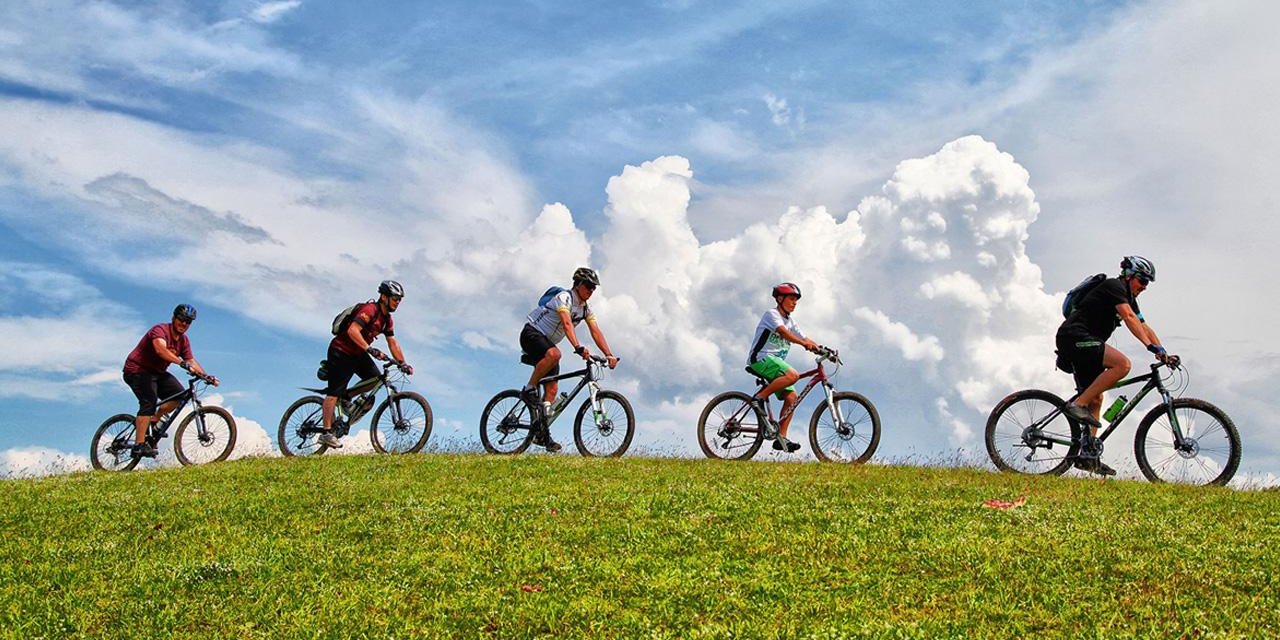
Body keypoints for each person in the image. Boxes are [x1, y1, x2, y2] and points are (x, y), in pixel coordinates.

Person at [1055, 255, 1177, 475]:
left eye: (1147, 283)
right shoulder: (1113, 286)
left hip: (1085, 342)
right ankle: (1077, 405)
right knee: (1122, 365)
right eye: (1143, 281)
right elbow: (1129, 318)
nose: (1145, 287)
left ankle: (1088, 455)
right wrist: (1150, 347)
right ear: (1129, 276)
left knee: (1096, 397)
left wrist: (1163, 352)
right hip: (1074, 337)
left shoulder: (1129, 297)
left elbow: (1143, 325)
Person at [520, 267, 618, 452]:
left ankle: (541, 435)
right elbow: (566, 323)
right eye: (588, 286)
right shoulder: (564, 297)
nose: (591, 291)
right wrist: (578, 347)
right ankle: (529, 389)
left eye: (594, 288)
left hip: (546, 343)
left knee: (552, 390)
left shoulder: (585, 309)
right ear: (578, 284)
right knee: (555, 354)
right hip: (531, 333)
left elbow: (596, 331)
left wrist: (609, 354)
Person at [319, 280, 413, 448]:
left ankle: (346, 397)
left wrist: (402, 363)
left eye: (399, 299)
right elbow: (352, 330)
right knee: (334, 392)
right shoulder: (369, 310)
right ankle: (326, 433)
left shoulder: (387, 320)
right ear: (384, 297)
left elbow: (392, 342)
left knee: (376, 379)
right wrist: (370, 349)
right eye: (395, 298)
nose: (397, 302)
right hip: (341, 351)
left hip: (358, 353)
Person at [121, 304, 218, 458]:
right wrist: (181, 363)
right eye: (181, 319)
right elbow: (161, 350)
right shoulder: (160, 330)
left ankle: (155, 419)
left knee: (179, 396)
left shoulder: (184, 341)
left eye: (188, 322)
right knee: (149, 402)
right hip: (137, 370)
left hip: (157, 373)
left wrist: (206, 376)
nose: (184, 324)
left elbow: (191, 360)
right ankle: (139, 445)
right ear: (173, 318)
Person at [747, 282, 821, 453]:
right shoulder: (771, 314)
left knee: (791, 398)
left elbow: (805, 337)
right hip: (760, 359)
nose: (794, 303)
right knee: (793, 375)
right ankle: (759, 398)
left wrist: (822, 349)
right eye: (791, 299)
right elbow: (783, 333)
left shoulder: (791, 321)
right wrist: (802, 344)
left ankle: (781, 438)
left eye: (796, 300)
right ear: (780, 299)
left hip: (774, 364)